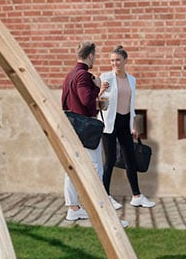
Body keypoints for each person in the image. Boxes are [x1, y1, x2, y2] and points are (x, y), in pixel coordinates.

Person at [61, 40, 114, 223]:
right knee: (96, 166)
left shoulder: (70, 75)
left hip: (71, 125)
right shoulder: (84, 75)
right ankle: (100, 207)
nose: (95, 59)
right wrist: (97, 86)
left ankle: (73, 208)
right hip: (85, 128)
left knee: (72, 168)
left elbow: (70, 102)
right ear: (90, 55)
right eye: (95, 56)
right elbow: (86, 101)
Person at [98, 45, 153, 209]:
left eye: (118, 60)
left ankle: (137, 196)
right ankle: (105, 196)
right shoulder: (106, 77)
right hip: (109, 123)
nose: (115, 63)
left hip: (125, 122)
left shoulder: (131, 80)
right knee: (110, 160)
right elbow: (97, 103)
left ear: (125, 61)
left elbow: (131, 105)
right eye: (112, 60)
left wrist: (133, 126)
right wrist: (100, 91)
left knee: (130, 158)